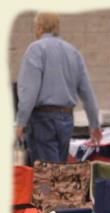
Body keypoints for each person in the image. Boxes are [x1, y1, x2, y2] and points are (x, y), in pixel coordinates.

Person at [15, 12, 102, 164]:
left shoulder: (35, 49)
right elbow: (87, 92)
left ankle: (54, 188)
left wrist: (21, 122)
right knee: (59, 170)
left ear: (40, 27)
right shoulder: (73, 52)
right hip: (66, 120)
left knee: (48, 176)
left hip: (42, 120)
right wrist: (94, 125)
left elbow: (29, 91)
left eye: (35, 27)